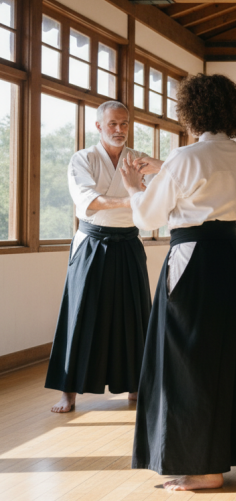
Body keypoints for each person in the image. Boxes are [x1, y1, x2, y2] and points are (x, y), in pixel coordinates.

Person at [121, 74, 236, 491]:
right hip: (229, 255)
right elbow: (204, 178)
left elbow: (148, 217)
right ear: (231, 111)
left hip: (192, 260)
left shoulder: (186, 157)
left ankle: (205, 467)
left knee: (189, 358)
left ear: (191, 112)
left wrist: (137, 186)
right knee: (234, 349)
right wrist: (164, 168)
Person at [44, 101, 152, 414]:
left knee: (134, 313)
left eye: (124, 124)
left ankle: (136, 385)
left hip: (129, 240)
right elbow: (91, 201)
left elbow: (161, 187)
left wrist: (145, 188)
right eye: (113, 124)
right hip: (92, 242)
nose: (119, 130)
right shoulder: (83, 159)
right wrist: (134, 198)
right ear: (99, 126)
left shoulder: (136, 159)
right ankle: (69, 392)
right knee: (81, 313)